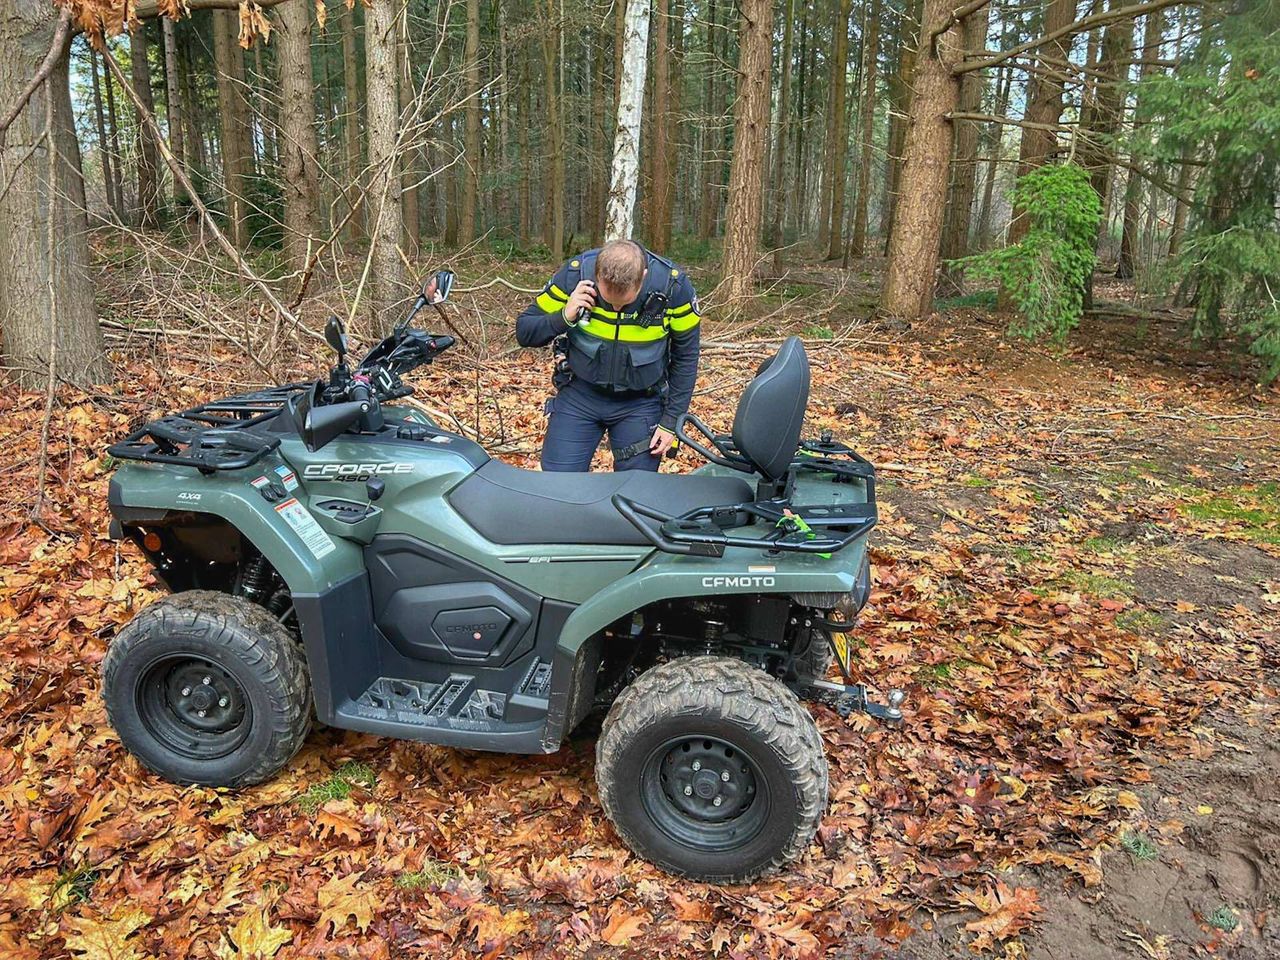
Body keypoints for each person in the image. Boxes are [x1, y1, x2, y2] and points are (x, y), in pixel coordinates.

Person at [515, 239, 702, 472]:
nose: (615, 309)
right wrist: (564, 315)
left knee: (634, 492)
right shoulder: (574, 275)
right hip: (580, 394)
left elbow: (686, 356)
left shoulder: (672, 286)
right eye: (608, 301)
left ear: (643, 277)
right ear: (596, 275)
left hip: (641, 401)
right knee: (557, 487)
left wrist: (670, 422)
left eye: (624, 303)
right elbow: (525, 332)